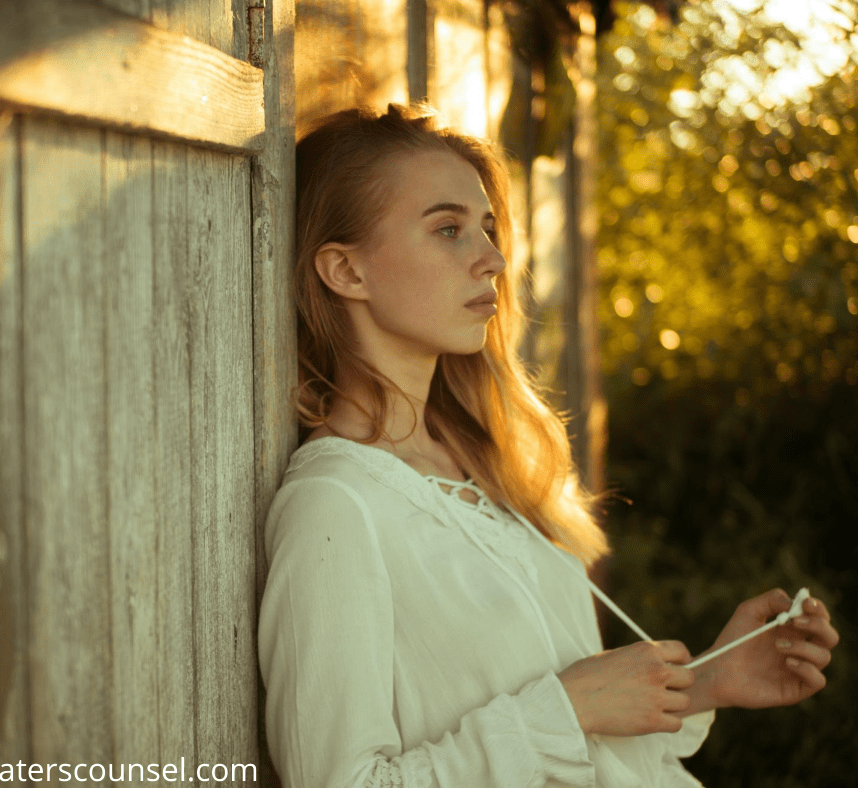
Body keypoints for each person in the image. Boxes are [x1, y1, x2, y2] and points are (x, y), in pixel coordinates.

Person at [257, 104, 839, 788]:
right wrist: (570, 708)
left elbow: (580, 747)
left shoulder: (482, 471)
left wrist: (704, 682)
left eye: (488, 229)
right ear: (345, 271)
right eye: (447, 229)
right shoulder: (336, 505)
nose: (493, 260)